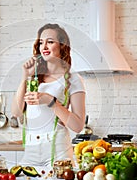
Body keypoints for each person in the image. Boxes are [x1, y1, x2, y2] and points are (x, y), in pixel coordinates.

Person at [11, 23, 86, 167]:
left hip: (58, 151)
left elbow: (77, 126)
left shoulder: (72, 79)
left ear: (62, 47)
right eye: (41, 42)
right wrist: (25, 76)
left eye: (50, 42)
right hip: (30, 150)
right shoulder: (34, 78)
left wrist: (50, 101)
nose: (44, 47)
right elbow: (16, 112)